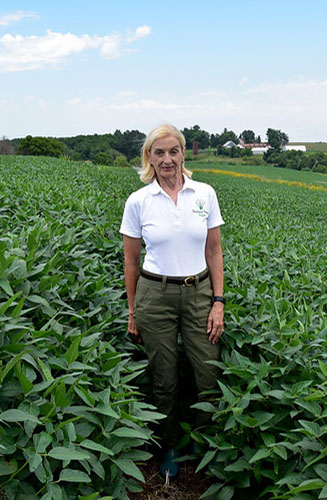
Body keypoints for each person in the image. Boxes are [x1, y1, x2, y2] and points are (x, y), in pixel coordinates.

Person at [119, 123, 225, 479]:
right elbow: (131, 262)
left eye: (173, 151)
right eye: (159, 152)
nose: (167, 159)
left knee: (208, 373)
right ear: (149, 157)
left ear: (183, 154)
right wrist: (133, 311)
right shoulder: (139, 201)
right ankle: (168, 446)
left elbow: (214, 250)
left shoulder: (204, 194)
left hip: (199, 293)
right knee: (164, 379)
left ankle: (201, 442)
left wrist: (218, 302)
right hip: (155, 294)